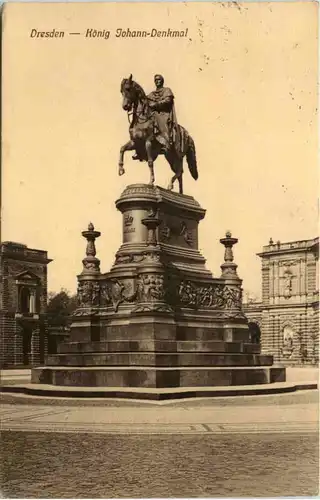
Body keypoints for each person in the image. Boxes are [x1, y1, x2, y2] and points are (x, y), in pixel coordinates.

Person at [132, 74, 179, 160]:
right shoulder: (152, 94)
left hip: (163, 113)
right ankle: (139, 148)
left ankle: (166, 143)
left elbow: (168, 100)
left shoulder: (167, 90)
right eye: (155, 80)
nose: (157, 81)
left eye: (159, 80)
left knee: (161, 121)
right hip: (153, 113)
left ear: (162, 81)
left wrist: (156, 104)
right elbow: (145, 99)